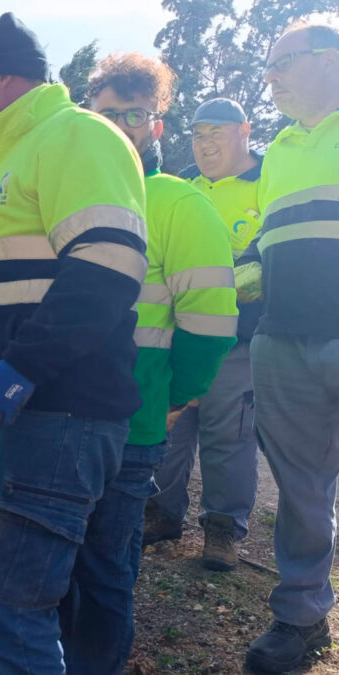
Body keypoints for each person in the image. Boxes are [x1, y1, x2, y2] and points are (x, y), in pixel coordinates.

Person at [0, 14, 149, 673]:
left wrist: (22, 365)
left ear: (4, 76)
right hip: (37, 414)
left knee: (10, 607)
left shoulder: (74, 135)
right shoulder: (21, 148)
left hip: (59, 416)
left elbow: (108, 267)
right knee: (27, 604)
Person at [59, 53, 237, 672]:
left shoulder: (176, 204)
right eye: (105, 113)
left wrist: (172, 397)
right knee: (55, 564)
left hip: (131, 427)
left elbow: (211, 324)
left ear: (156, 125)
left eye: (133, 114)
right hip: (57, 418)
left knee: (106, 568)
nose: (119, 126)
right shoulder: (65, 203)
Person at [236, 24, 339, 673]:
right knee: (300, 488)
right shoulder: (278, 151)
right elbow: (272, 238)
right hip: (285, 341)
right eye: (267, 67)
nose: (270, 77)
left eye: (285, 64)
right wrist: (251, 283)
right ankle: (302, 616)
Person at [146, 97, 264, 570]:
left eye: (217, 132)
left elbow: (266, 258)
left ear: (245, 131)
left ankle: (222, 529)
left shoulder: (268, 183)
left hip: (237, 338)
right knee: (169, 429)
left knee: (228, 435)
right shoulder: (182, 188)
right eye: (198, 134)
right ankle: (160, 512)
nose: (206, 143)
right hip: (176, 333)